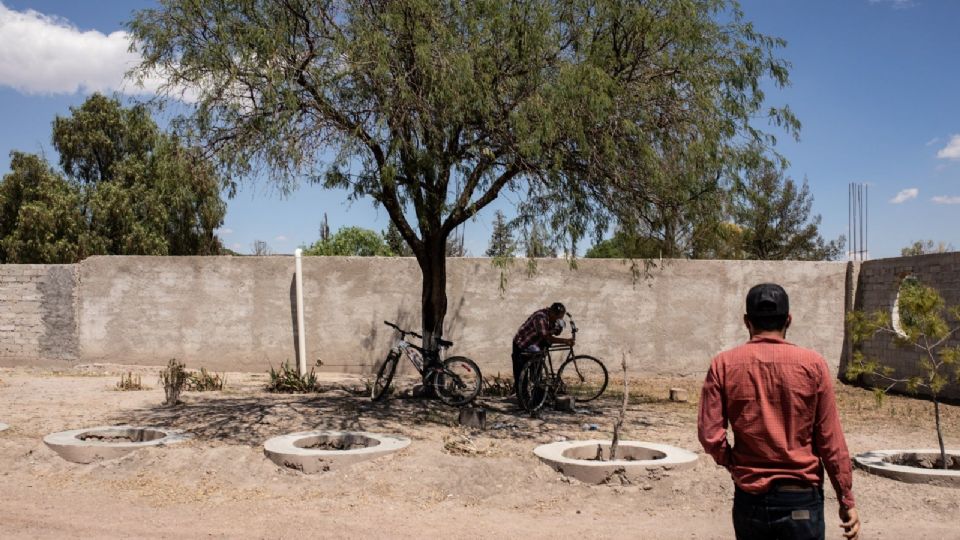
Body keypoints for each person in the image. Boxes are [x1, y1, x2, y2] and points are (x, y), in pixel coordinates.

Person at [698, 283, 860, 540]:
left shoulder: (724, 365)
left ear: (746, 321)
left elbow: (710, 434)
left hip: (750, 498)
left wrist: (733, 463)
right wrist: (846, 499)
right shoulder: (813, 365)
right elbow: (831, 440)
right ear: (789, 320)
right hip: (801, 499)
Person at [511, 302, 574, 394]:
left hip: (536, 344)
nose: (559, 319)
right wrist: (565, 341)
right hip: (522, 344)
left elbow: (555, 332)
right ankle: (523, 399)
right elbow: (546, 336)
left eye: (560, 317)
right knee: (521, 375)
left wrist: (559, 327)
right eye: (558, 317)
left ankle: (536, 399)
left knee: (536, 374)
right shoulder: (540, 317)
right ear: (552, 313)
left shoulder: (552, 318)